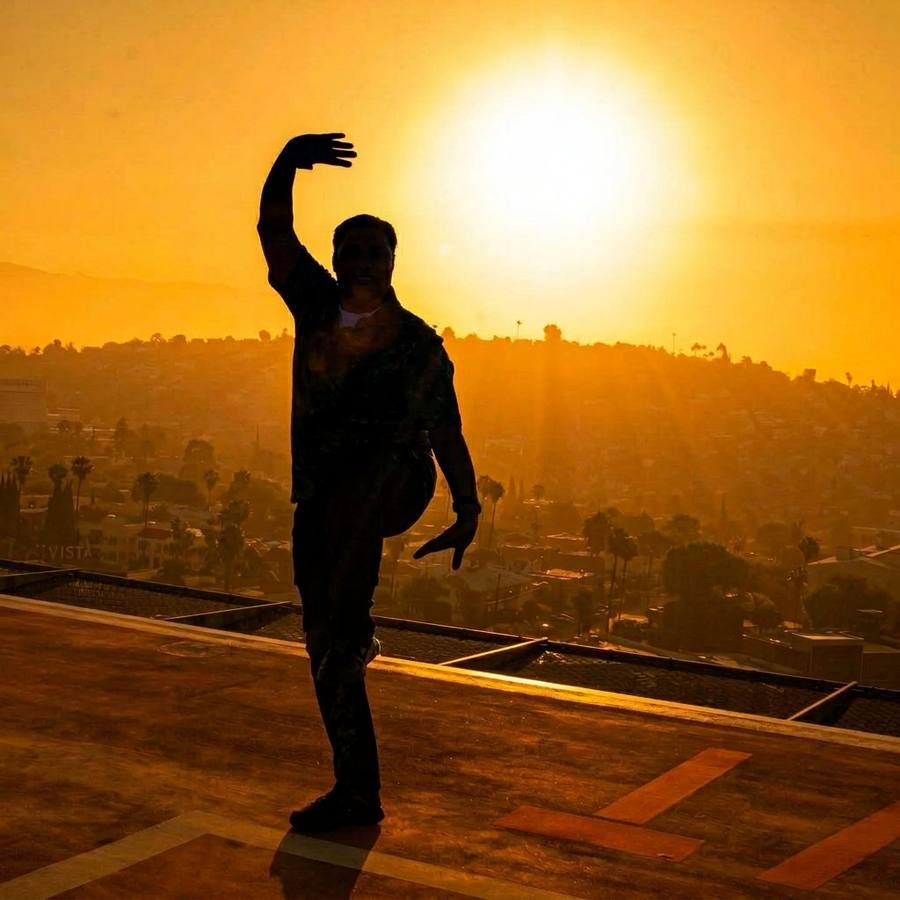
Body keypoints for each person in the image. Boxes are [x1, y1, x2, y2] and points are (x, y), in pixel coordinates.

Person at [257, 132, 481, 832]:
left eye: (372, 252)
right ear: (335, 260)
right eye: (348, 251)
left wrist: (466, 506)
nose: (359, 261)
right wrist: (286, 161)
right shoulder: (316, 307)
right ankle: (354, 780)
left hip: (392, 483)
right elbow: (273, 230)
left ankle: (354, 649)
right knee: (323, 641)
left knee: (340, 618)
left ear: (391, 262)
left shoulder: (416, 342)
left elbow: (446, 431)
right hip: (324, 498)